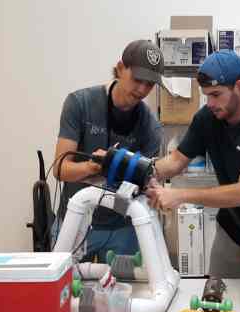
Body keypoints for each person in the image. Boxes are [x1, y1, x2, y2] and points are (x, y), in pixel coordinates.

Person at [146, 50, 240, 289]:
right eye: (207, 96)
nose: (211, 103)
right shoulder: (207, 119)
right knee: (215, 305)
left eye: (216, 95)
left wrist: (179, 195)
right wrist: (138, 169)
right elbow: (176, 161)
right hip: (230, 235)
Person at [52, 40, 164, 261]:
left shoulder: (150, 126)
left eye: (150, 84)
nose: (142, 89)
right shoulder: (80, 104)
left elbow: (143, 183)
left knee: (125, 292)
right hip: (77, 220)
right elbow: (60, 169)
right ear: (121, 68)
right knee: (63, 289)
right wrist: (94, 165)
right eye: (137, 79)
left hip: (122, 228)